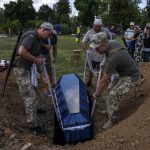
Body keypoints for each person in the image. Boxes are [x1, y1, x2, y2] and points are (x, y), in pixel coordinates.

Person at [91, 32, 141, 129]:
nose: (96, 50)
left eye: (97, 48)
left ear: (104, 44)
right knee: (110, 88)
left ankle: (113, 120)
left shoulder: (114, 58)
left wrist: (97, 93)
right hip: (123, 73)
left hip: (132, 76)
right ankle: (110, 109)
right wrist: (104, 61)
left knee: (113, 94)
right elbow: (107, 54)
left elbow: (104, 80)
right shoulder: (111, 43)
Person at [13, 22, 56, 134]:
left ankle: (34, 110)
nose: (49, 37)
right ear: (44, 30)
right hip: (21, 69)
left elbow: (36, 55)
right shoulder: (31, 36)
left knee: (34, 91)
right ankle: (32, 125)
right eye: (49, 34)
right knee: (29, 96)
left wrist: (41, 70)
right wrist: (37, 60)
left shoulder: (38, 39)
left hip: (28, 69)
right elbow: (21, 51)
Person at [82, 18, 112, 87]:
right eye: (95, 26)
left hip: (103, 55)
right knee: (91, 69)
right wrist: (86, 50)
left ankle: (100, 83)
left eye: (98, 27)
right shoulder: (89, 32)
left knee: (101, 69)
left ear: (101, 25)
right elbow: (83, 42)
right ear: (93, 25)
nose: (97, 28)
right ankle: (89, 81)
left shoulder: (106, 31)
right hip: (92, 54)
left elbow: (111, 40)